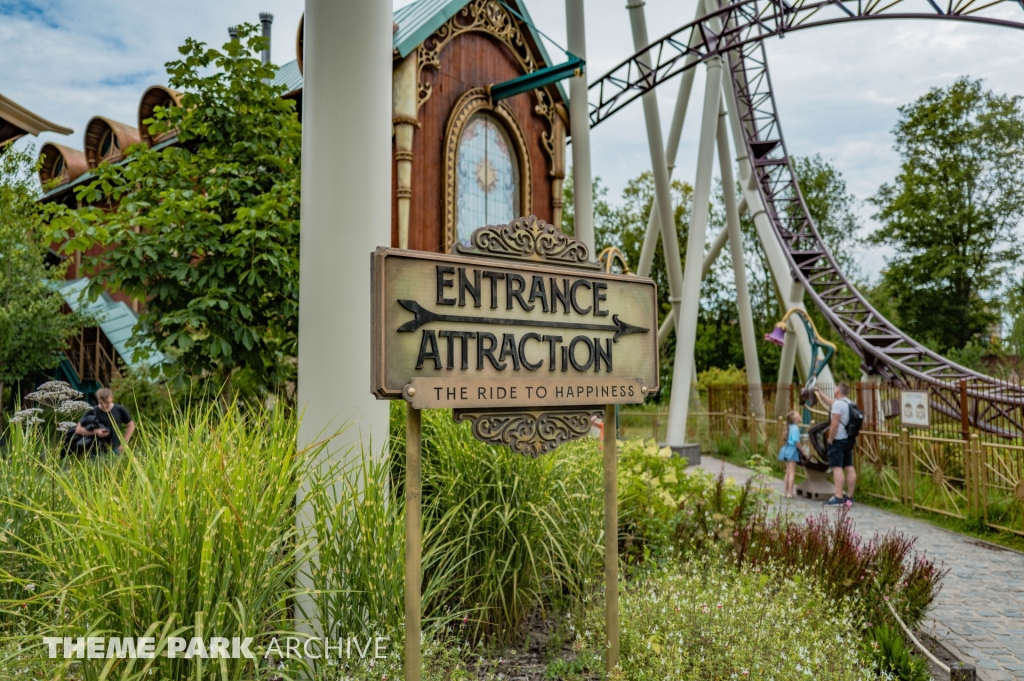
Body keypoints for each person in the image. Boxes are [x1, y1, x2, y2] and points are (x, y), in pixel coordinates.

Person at [815, 383, 856, 506]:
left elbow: (835, 424)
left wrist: (830, 439)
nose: (834, 390)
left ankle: (838, 497)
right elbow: (831, 403)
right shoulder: (849, 403)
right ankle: (850, 498)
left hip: (838, 440)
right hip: (849, 439)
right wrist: (820, 393)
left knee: (837, 467)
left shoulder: (838, 404)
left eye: (835, 388)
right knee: (849, 467)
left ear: (838, 391)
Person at [74, 387, 134, 454]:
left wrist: (123, 444)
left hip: (115, 448)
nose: (104, 405)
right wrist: (95, 432)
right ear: (98, 399)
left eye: (107, 402)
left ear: (112, 398)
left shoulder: (120, 409)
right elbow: (78, 430)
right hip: (96, 450)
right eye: (101, 402)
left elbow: (131, 425)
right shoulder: (92, 411)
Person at [777, 410, 802, 499]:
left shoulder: (789, 427)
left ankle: (785, 491)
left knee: (788, 472)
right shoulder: (795, 428)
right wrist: (802, 450)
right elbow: (796, 441)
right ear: (795, 419)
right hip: (792, 450)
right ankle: (790, 492)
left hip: (785, 449)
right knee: (792, 472)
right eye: (798, 414)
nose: (800, 415)